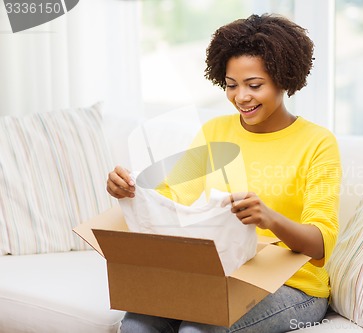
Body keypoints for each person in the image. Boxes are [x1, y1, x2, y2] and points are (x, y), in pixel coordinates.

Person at [106, 13, 341, 333]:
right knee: (136, 325)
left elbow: (319, 246)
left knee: (197, 330)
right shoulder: (215, 130)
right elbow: (173, 198)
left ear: (285, 79)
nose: (241, 97)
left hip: (293, 286)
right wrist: (131, 188)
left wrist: (268, 218)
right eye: (232, 85)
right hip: (221, 275)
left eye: (254, 85)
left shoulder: (317, 143)